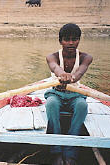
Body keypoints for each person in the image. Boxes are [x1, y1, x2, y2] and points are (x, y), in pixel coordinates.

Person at [44, 23, 93, 165]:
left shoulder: (86, 57)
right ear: (60, 41)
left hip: (76, 94)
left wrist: (72, 78)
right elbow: (54, 67)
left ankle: (71, 152)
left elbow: (79, 72)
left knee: (82, 106)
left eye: (75, 39)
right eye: (67, 39)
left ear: (79, 40)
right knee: (51, 104)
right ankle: (56, 151)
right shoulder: (52, 56)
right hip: (56, 93)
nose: (71, 43)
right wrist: (61, 74)